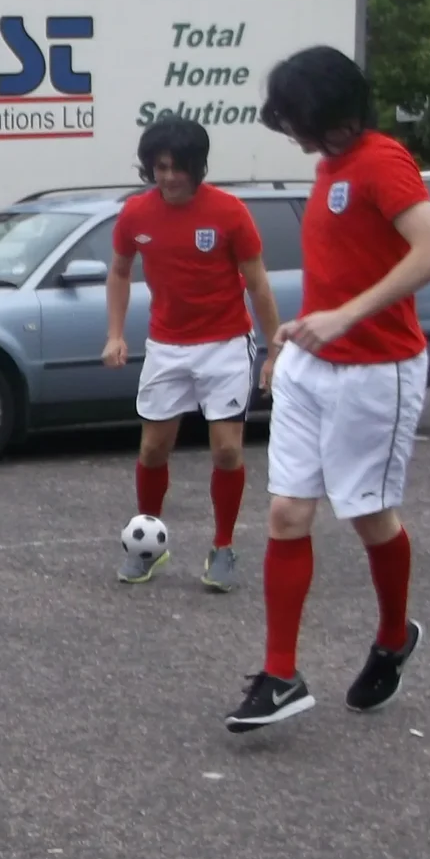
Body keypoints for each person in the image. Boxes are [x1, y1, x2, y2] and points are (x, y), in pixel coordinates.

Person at [226, 47, 430, 732]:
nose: (291, 132)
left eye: (297, 117)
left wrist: (347, 316)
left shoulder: (382, 160)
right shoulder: (329, 167)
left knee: (367, 516)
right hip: (311, 363)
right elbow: (344, 269)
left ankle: (392, 638)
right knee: (287, 515)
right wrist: (296, 333)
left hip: (375, 370)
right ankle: (280, 674)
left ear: (331, 109)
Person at [103, 117, 281, 590]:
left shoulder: (229, 212)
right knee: (153, 447)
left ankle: (223, 549)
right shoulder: (136, 215)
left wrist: (273, 349)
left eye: (178, 167)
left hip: (224, 344)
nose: (168, 177)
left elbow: (258, 283)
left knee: (226, 451)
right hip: (167, 345)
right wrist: (115, 334)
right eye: (159, 167)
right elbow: (119, 272)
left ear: (197, 167)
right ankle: (146, 548)